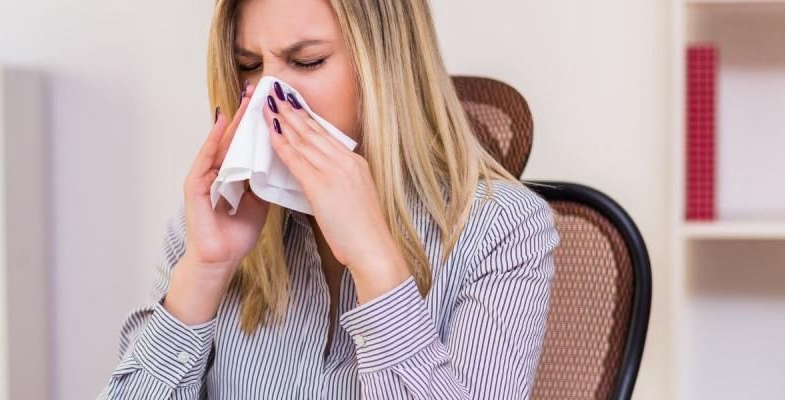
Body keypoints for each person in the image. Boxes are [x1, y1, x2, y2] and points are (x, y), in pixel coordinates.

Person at [99, 0, 560, 398]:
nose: (268, 99)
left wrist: (376, 264)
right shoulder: (212, 221)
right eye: (248, 66)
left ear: (386, 68)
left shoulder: (504, 230)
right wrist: (203, 270)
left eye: (307, 62)